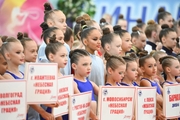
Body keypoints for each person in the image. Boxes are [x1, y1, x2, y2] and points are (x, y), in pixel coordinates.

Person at [69, 49, 99, 120]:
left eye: (90, 64)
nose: (89, 68)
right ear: (74, 66)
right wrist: (95, 117)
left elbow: (106, 95)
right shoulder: (73, 83)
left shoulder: (91, 83)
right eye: (85, 64)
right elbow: (82, 104)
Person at [80, 20, 104, 87]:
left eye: (100, 39)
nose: (99, 42)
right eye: (95, 39)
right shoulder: (82, 61)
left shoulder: (100, 60)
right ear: (85, 41)